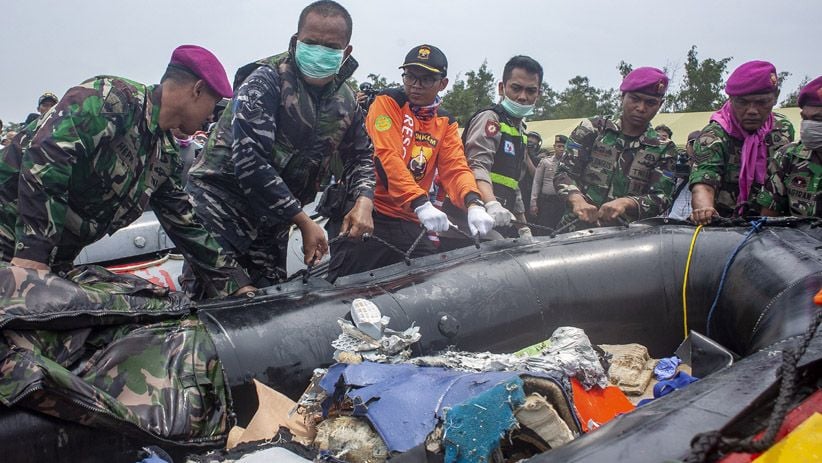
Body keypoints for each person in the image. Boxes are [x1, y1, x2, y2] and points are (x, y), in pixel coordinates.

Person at [0, 45, 254, 298]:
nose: (211, 116)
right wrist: (32, 253)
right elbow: (47, 158)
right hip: (15, 251)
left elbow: (185, 225)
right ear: (197, 90)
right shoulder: (112, 99)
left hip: (48, 266)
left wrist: (236, 283)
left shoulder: (163, 155)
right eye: (213, 103)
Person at [185, 0, 376, 289]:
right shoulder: (266, 80)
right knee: (219, 301)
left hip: (273, 222)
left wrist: (364, 200)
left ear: (346, 51)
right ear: (296, 41)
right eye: (311, 43)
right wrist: (303, 221)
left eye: (330, 47)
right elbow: (251, 162)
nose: (319, 52)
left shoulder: (346, 101)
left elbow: (361, 156)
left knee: (267, 300)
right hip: (220, 210)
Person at [325, 44, 494, 281]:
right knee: (346, 286)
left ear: (442, 84)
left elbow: (455, 168)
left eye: (426, 79)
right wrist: (420, 202)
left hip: (409, 219)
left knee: (429, 284)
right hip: (370, 211)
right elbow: (385, 156)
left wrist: (473, 202)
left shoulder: (445, 121)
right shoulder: (389, 101)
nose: (416, 84)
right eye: (410, 76)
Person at [554, 67, 676, 231]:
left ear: (660, 105)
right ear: (622, 97)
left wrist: (627, 203)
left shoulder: (663, 148)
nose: (641, 108)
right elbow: (564, 173)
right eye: (635, 99)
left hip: (626, 238)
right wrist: (577, 200)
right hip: (575, 229)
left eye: (650, 103)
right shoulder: (592, 129)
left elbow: (661, 197)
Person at [689, 60, 794, 224]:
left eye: (761, 102)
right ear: (730, 99)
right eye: (742, 102)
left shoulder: (783, 130)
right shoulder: (714, 135)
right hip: (725, 227)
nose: (752, 111)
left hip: (773, 227)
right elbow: (704, 184)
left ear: (775, 98)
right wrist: (704, 211)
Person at [461, 55, 544, 239]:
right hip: (469, 220)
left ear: (538, 94)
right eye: (516, 88)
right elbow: (476, 166)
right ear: (501, 88)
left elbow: (513, 183)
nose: (523, 97)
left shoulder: (519, 131)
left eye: (531, 91)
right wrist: (491, 203)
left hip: (499, 219)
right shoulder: (491, 120)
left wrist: (523, 227)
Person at [755, 76, 822, 217]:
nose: (808, 126)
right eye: (805, 118)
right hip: (796, 239)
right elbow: (769, 219)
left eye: (817, 119)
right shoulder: (788, 157)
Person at [530, 134, 567, 231]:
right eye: (559, 146)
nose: (561, 149)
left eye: (564, 146)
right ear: (554, 147)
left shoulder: (569, 164)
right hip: (547, 202)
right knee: (544, 229)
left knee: (562, 229)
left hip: (562, 202)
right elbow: (537, 182)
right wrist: (533, 202)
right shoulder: (545, 162)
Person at [666, 130, 700, 221]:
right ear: (686, 146)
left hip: (694, 217)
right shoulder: (676, 161)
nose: (696, 147)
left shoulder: (710, 165)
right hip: (674, 216)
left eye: (700, 143)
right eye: (692, 144)